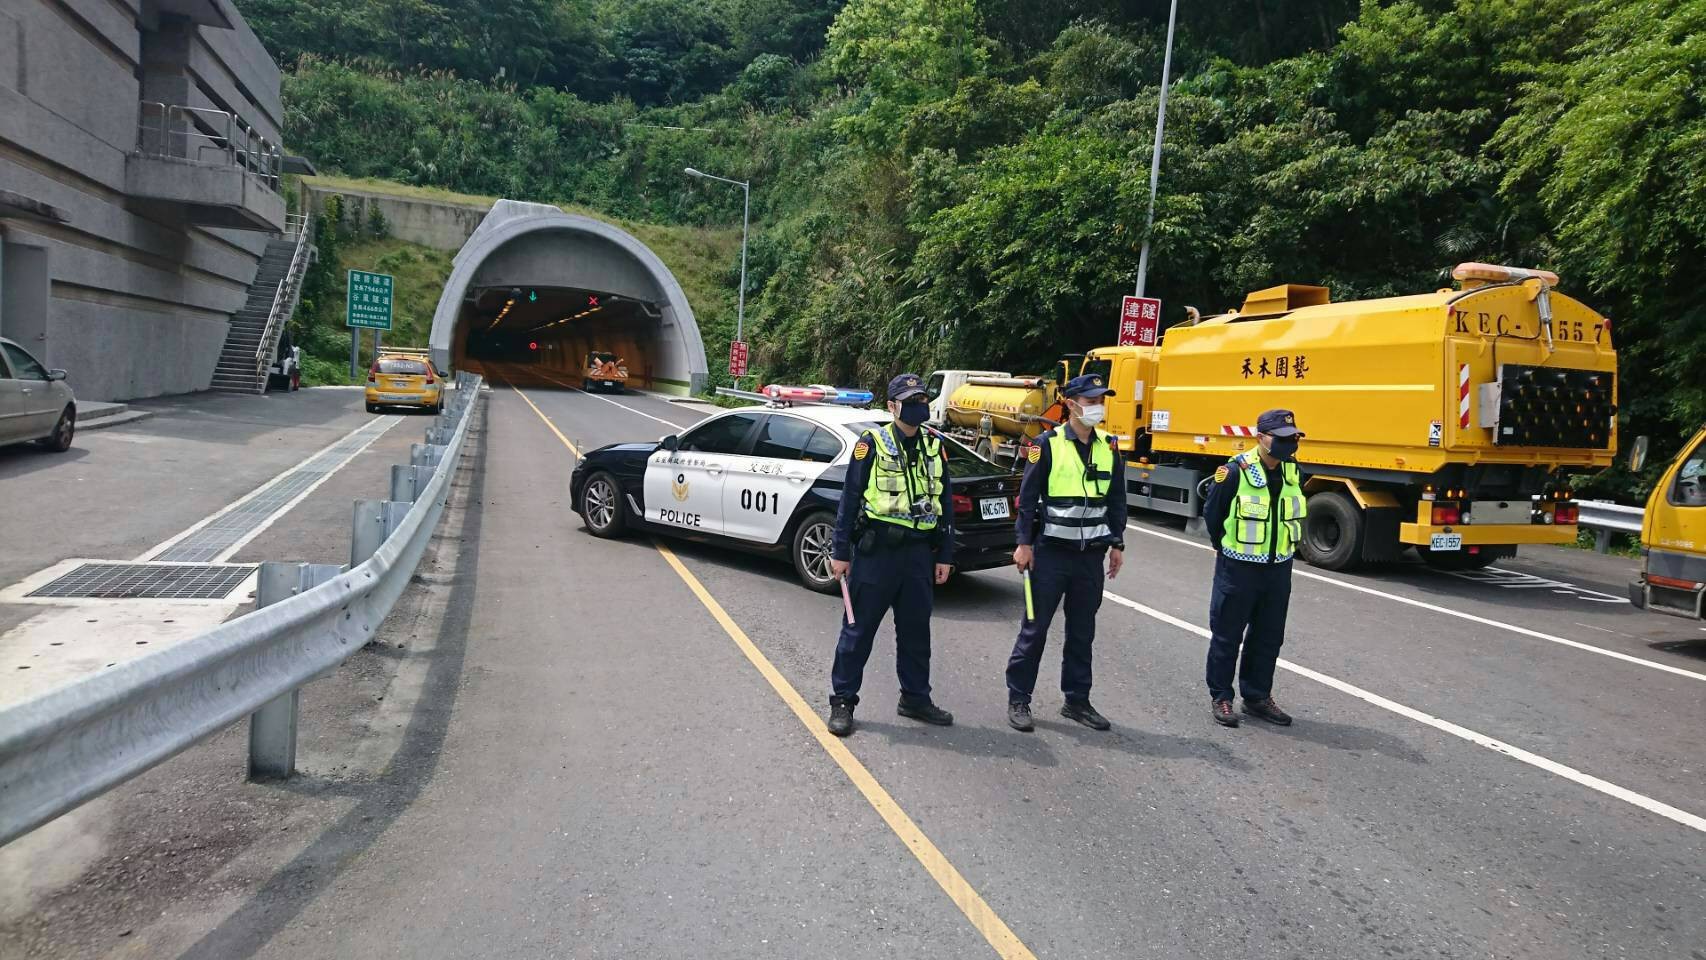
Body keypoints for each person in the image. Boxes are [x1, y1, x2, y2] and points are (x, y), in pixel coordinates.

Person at [825, 373, 957, 737]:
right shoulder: (872, 445)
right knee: (858, 631)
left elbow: (944, 504)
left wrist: (945, 554)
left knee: (916, 632)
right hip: (877, 553)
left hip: (918, 556)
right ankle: (843, 701)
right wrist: (840, 552)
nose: (918, 406)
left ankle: (915, 698)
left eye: (921, 400)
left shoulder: (935, 446)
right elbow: (849, 500)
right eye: (910, 400)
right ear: (892, 406)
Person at [1005, 374, 1127, 732]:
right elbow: (1027, 499)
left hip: (1090, 556)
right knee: (1035, 629)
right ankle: (1019, 698)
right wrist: (1023, 544)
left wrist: (1116, 543)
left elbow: (1116, 499)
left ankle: (1077, 701)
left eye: (1100, 400)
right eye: (1090, 401)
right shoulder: (1047, 444)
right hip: (1050, 554)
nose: (1097, 407)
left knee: (1082, 631)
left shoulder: (1110, 446)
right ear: (1071, 404)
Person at [1201, 409, 1309, 728]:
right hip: (1239, 568)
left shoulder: (1293, 471)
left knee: (1268, 636)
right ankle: (1221, 695)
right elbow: (1213, 514)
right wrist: (1224, 547)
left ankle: (1257, 696)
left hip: (1278, 569)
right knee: (1227, 634)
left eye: (1293, 438)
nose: (1289, 444)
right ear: (1260, 437)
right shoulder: (1234, 472)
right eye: (1282, 438)